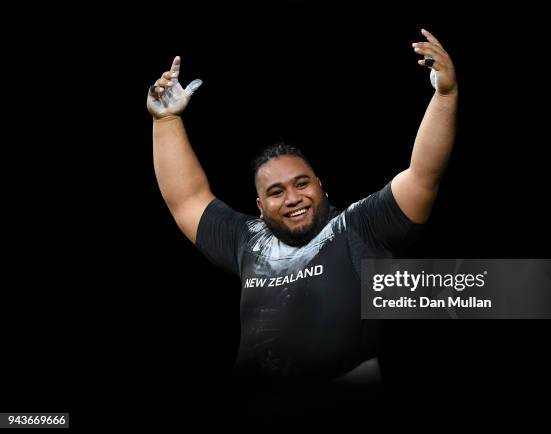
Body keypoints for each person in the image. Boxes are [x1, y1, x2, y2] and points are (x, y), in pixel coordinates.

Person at [147, 28, 457, 380]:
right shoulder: (248, 241)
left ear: (320, 186)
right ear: (260, 207)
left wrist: (445, 95)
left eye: (301, 183)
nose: (293, 198)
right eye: (276, 192)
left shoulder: (359, 227)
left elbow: (422, 176)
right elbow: (186, 198)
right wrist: (166, 120)